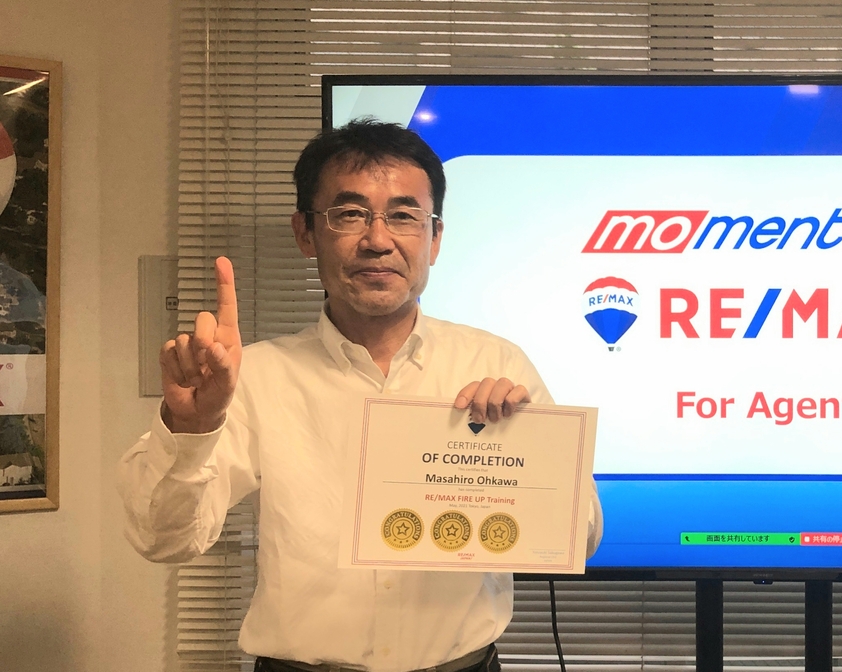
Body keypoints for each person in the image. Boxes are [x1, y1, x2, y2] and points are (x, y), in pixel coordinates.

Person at [119, 119, 603, 672]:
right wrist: (191, 429)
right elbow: (164, 541)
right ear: (306, 233)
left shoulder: (497, 365)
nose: (378, 240)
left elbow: (583, 536)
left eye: (404, 216)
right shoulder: (254, 378)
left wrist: (528, 455)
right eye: (349, 214)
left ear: (435, 239)